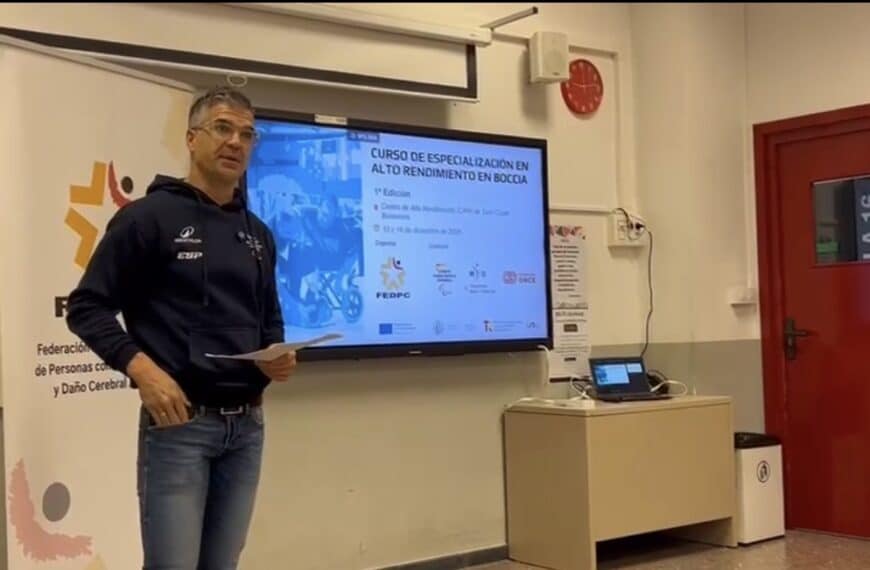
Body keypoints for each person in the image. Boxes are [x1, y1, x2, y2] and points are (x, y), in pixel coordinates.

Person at [65, 86, 296, 569]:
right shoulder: (147, 219)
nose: (236, 142)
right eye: (223, 128)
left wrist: (278, 356)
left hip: (247, 428)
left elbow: (270, 321)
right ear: (192, 139)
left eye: (247, 134)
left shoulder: (258, 234)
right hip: (180, 428)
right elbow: (87, 307)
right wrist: (144, 371)